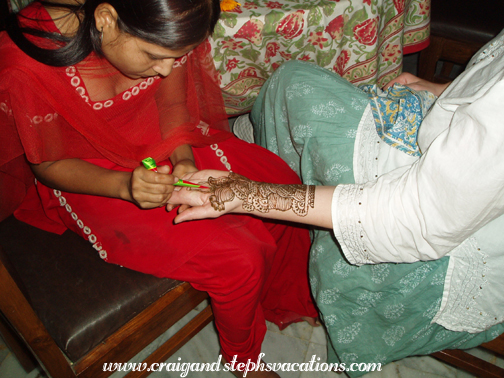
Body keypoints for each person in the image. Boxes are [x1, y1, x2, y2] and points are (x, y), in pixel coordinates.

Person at [0, 1, 319, 377]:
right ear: (105, 19)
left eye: (177, 57)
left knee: (277, 185)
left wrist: (184, 159)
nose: (167, 68)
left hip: (161, 143)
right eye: (155, 57)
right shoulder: (28, 61)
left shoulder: (171, 23)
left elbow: (173, 109)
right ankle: (242, 358)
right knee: (239, 257)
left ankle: (269, 299)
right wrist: (125, 187)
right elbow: (48, 165)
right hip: (90, 175)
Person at [168, 29, 504, 375]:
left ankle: (308, 270)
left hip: (440, 232)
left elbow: (416, 217)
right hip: (441, 160)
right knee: (291, 85)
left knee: (292, 106)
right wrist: (445, 92)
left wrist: (248, 194)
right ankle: (285, 224)